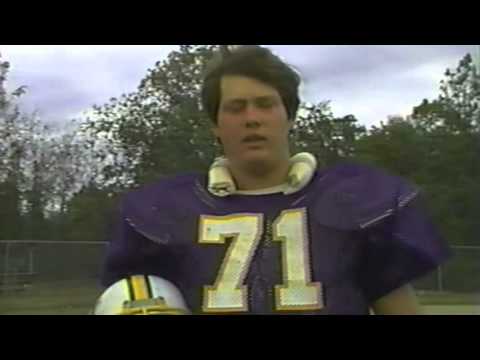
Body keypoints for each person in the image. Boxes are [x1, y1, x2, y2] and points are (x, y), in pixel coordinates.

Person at [97, 45, 451, 315]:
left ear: (290, 116)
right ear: (215, 126)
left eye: (265, 104)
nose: (252, 119)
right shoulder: (167, 213)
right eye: (236, 108)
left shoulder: (355, 201)